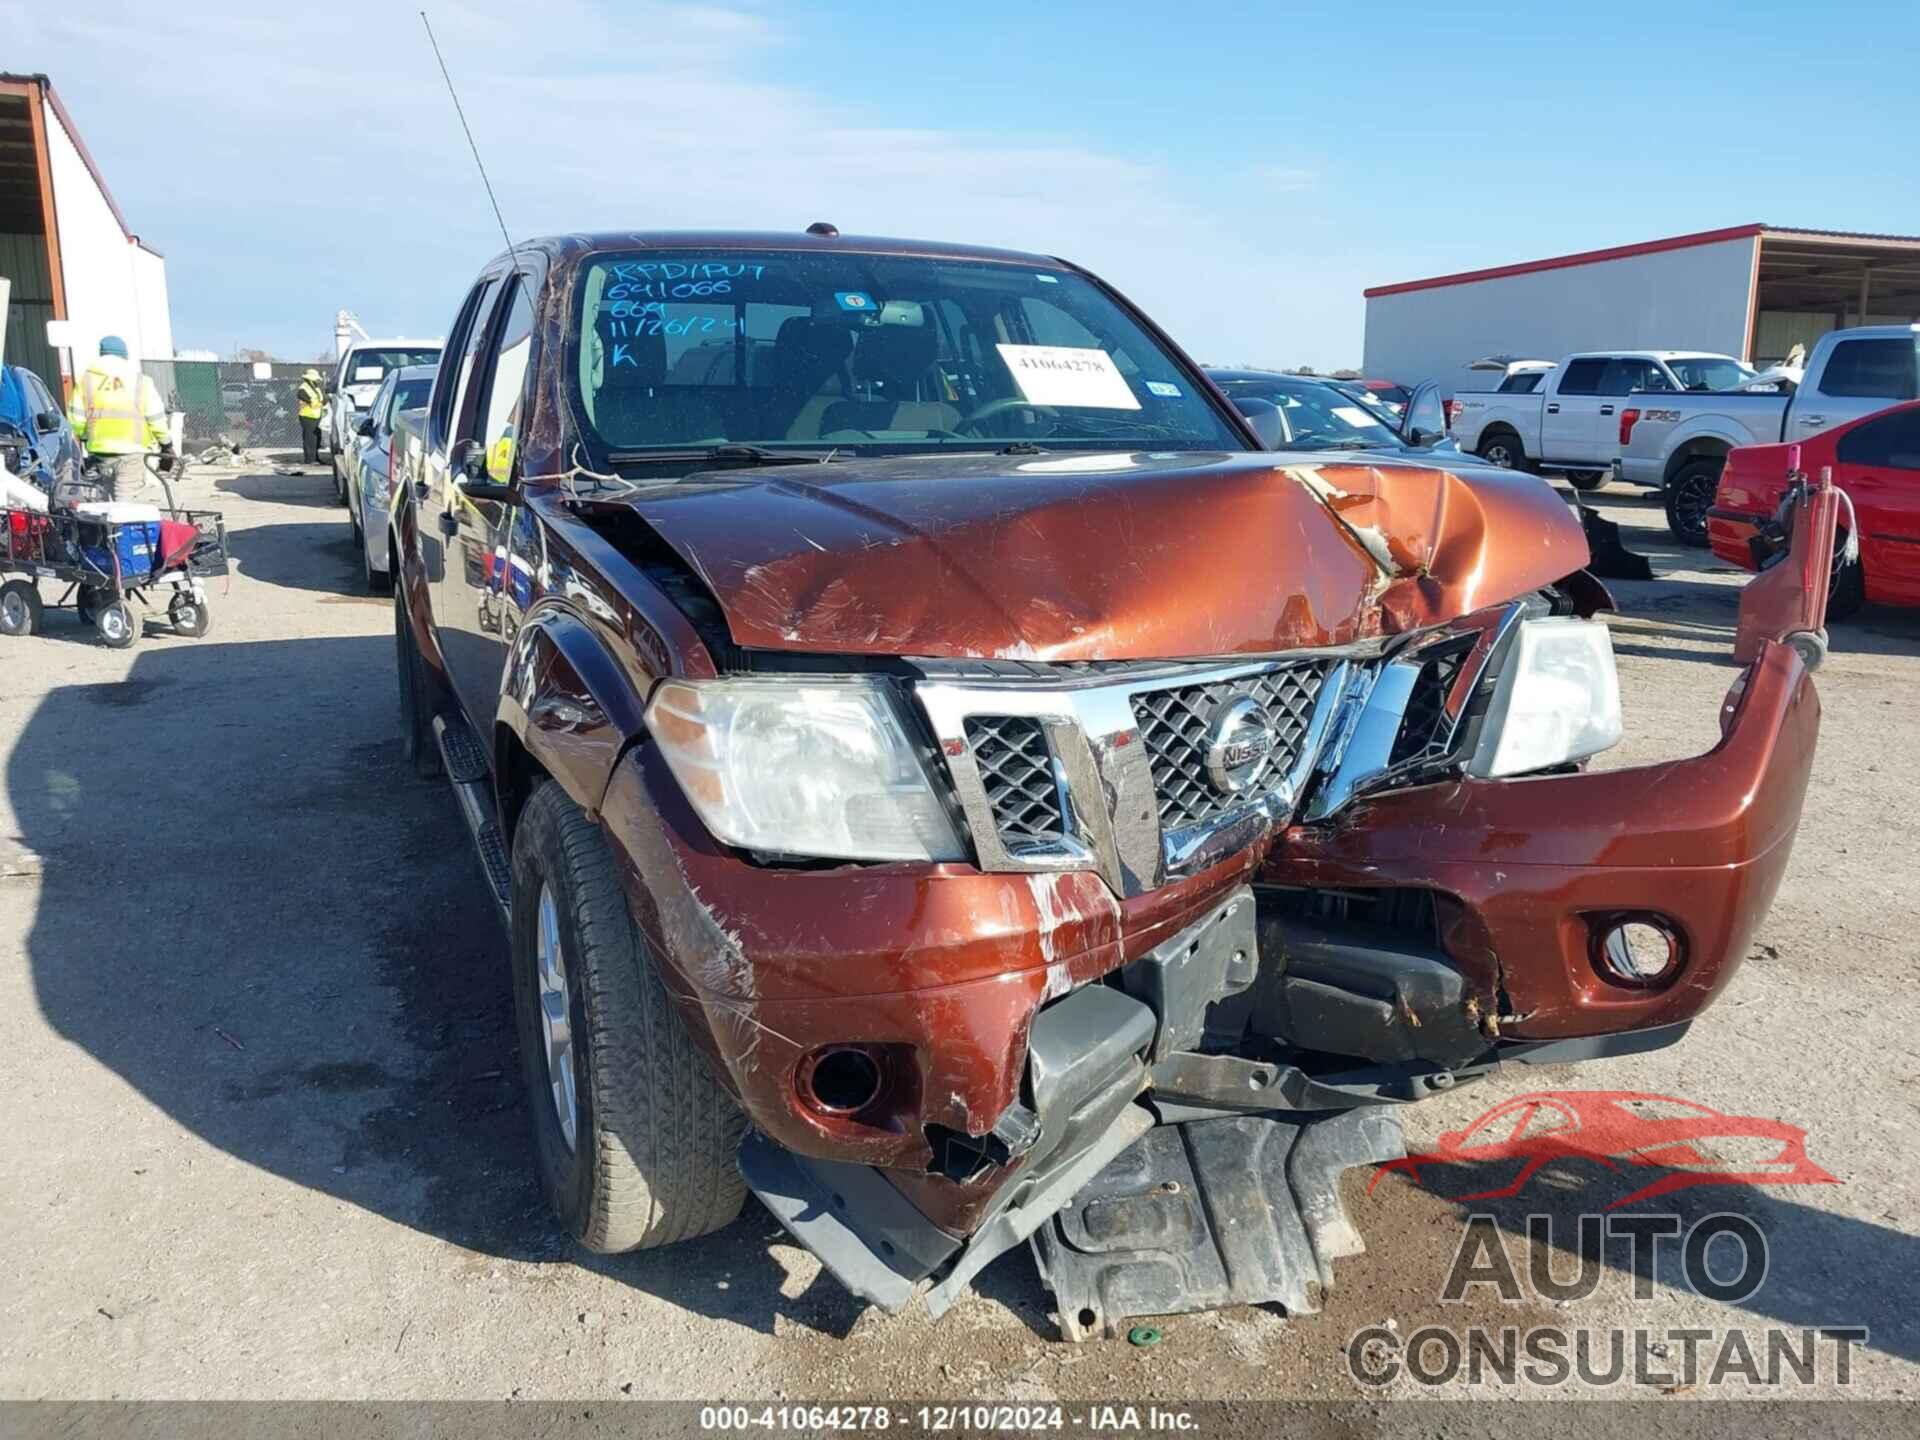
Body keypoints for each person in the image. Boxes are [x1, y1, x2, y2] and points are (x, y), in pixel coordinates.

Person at [66, 335, 172, 501]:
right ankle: (122, 527)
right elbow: (156, 417)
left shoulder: (86, 381)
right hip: (132, 453)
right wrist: (166, 445)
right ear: (124, 356)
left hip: (100, 454)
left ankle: (108, 527)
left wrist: (86, 438)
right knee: (125, 505)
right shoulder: (140, 381)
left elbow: (76, 419)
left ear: (101, 354)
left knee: (104, 507)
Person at [297, 368, 326, 464]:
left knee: (316, 437)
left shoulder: (315, 387)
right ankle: (309, 459)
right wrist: (321, 402)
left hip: (316, 416)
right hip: (307, 416)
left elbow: (320, 399)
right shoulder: (303, 388)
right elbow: (309, 400)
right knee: (310, 438)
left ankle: (315, 457)